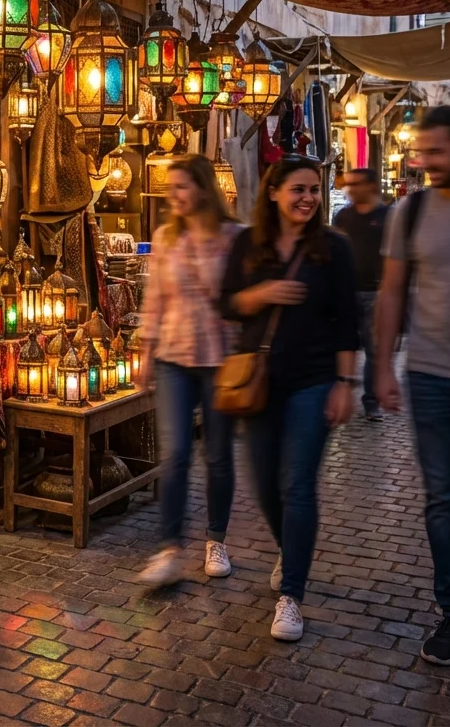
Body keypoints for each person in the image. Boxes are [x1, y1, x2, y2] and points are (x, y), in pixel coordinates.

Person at [220, 156, 358, 642]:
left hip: (314, 381)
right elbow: (228, 303)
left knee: (297, 484)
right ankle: (290, 549)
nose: (308, 198)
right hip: (260, 381)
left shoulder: (333, 249)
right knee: (264, 486)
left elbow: (348, 322)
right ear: (273, 192)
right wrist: (264, 294)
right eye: (298, 189)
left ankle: (291, 596)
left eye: (315, 191)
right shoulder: (247, 244)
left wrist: (346, 384)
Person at [136, 154, 244, 587]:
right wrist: (146, 353)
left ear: (202, 187)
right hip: (174, 358)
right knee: (176, 454)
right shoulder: (165, 239)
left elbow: (245, 300)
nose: (173, 195)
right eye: (170, 187)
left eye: (181, 186)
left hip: (222, 361)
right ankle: (170, 548)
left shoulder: (236, 238)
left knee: (218, 455)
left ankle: (216, 538)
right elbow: (154, 300)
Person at [375, 105, 450, 666]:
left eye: (438, 151)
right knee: (442, 501)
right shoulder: (412, 209)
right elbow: (392, 292)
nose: (427, 162)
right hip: (429, 374)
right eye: (423, 152)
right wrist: (382, 365)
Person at [332, 168, 389, 421]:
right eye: (349, 185)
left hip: (375, 293)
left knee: (374, 353)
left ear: (372, 186)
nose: (351, 189)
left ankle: (371, 402)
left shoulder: (388, 216)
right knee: (341, 345)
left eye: (357, 184)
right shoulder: (343, 215)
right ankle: (338, 391)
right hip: (345, 292)